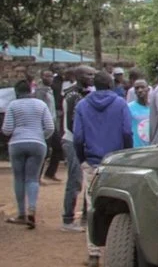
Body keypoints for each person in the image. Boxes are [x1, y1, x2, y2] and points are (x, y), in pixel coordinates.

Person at [73, 71, 133, 267]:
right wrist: (126, 156)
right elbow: (126, 131)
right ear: (110, 84)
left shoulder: (82, 105)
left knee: (92, 206)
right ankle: (118, 253)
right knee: (121, 205)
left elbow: (78, 137)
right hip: (116, 162)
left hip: (93, 163)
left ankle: (93, 254)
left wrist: (83, 159)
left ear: (94, 85)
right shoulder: (120, 103)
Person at [2, 80, 55, 228]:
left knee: (19, 179)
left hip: (17, 144)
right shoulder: (41, 104)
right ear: (31, 90)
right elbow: (50, 127)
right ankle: (32, 209)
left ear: (16, 92)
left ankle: (21, 213)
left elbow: (7, 129)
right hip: (38, 143)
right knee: (32, 179)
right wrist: (39, 136)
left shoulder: (12, 105)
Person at [59, 67, 94, 233]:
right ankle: (68, 219)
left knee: (83, 180)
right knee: (75, 180)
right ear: (79, 76)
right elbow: (71, 124)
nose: (91, 77)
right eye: (89, 74)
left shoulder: (82, 93)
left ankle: (81, 218)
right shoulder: (73, 95)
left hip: (79, 142)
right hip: (72, 141)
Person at [128, 79, 152, 147]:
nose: (140, 90)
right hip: (137, 149)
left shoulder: (154, 107)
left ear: (148, 89)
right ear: (134, 91)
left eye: (142, 87)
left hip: (153, 148)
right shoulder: (128, 108)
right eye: (137, 88)